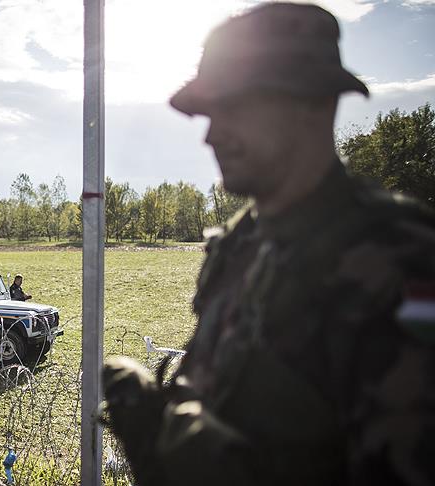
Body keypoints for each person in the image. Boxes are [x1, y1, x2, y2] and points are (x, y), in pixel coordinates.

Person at [101, 3, 435, 486]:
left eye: (234, 107)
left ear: (315, 104)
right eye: (208, 113)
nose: (211, 135)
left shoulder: (402, 259)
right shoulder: (239, 245)